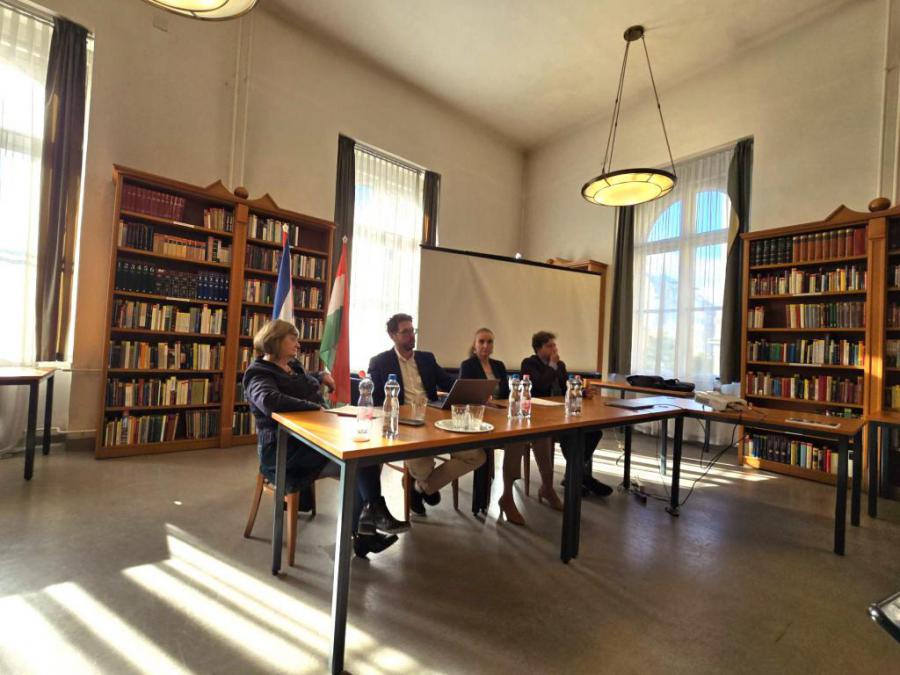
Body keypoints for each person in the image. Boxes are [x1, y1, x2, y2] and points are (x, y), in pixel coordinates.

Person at [243, 319, 409, 559]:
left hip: (314, 439)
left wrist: (321, 375)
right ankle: (367, 527)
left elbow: (298, 382)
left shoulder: (292, 366)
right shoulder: (258, 373)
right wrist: (313, 407)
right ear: (275, 340)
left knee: (364, 455)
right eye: (293, 339)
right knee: (359, 461)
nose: (298, 344)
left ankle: (367, 526)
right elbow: (269, 400)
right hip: (284, 451)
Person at [369, 313, 485, 516]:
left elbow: (449, 383)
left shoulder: (426, 358)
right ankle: (421, 482)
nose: (411, 335)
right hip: (404, 425)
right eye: (405, 332)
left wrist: (473, 389)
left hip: (435, 420)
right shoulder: (380, 362)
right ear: (392, 336)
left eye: (412, 331)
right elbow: (376, 401)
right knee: (423, 469)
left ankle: (419, 487)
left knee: (476, 456)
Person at [459, 328, 562, 525]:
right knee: (516, 438)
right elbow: (465, 395)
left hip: (501, 413)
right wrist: (484, 400)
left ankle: (547, 486)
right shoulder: (468, 365)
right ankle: (507, 496)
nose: (486, 346)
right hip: (481, 418)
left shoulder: (498, 365)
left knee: (541, 434)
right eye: (481, 341)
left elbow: (508, 394)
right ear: (474, 345)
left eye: (489, 342)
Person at [520, 330, 613, 497]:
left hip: (561, 412)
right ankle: (578, 477)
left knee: (593, 432)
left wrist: (582, 392)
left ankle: (574, 475)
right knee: (569, 434)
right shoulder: (529, 363)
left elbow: (565, 389)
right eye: (549, 346)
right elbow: (539, 386)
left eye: (554, 345)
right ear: (539, 348)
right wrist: (551, 366)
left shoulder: (560, 365)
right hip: (540, 415)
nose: (554, 349)